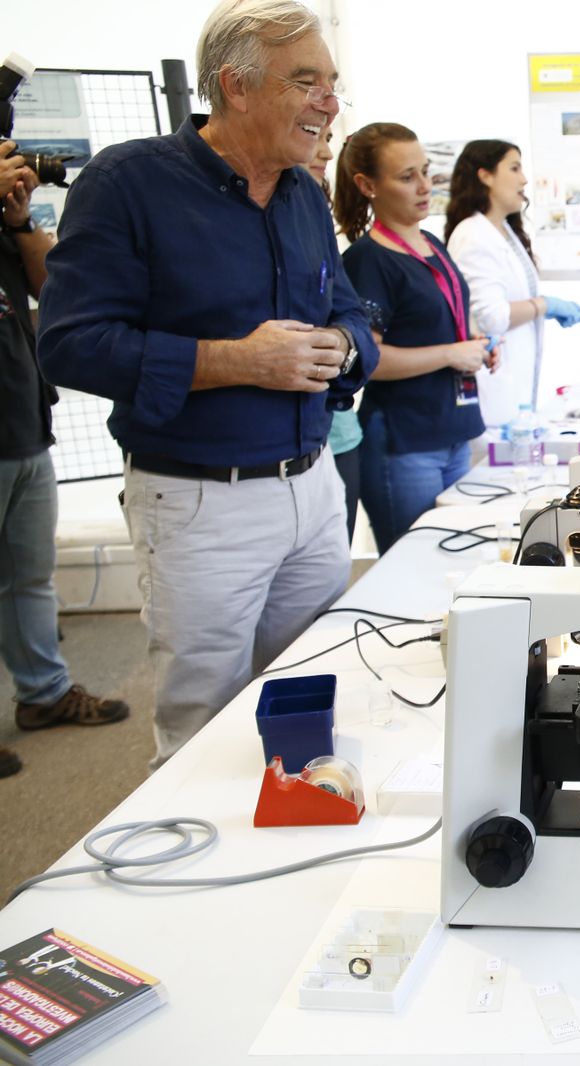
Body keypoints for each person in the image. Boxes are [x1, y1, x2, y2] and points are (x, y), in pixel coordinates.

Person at [37, 0, 375, 769]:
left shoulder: (302, 195)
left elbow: (352, 315)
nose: (330, 103)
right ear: (236, 86)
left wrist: (342, 344)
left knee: (313, 695)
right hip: (198, 503)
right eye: (307, 82)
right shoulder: (127, 184)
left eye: (333, 83)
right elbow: (69, 346)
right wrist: (235, 361)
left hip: (314, 488)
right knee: (204, 726)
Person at [0, 144, 130, 780]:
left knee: (30, 576)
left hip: (22, 424)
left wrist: (20, 221)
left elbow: (52, 291)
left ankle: (44, 693)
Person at [335, 123, 497, 553]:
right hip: (405, 443)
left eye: (425, 171)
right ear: (367, 185)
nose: (425, 186)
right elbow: (368, 359)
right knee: (416, 565)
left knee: (458, 563)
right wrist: (451, 353)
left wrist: (474, 343)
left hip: (453, 433)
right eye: (407, 177)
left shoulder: (430, 243)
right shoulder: (368, 261)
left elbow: (433, 322)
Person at [445, 139, 580, 430]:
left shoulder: (503, 230)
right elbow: (492, 317)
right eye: (514, 168)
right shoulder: (473, 235)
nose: (524, 179)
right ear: (485, 176)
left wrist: (542, 307)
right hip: (493, 393)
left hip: (516, 390)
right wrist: (544, 305)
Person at [303, 123, 363, 543]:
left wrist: (343, 341)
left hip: (338, 429)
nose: (326, 153)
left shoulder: (314, 220)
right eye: (316, 137)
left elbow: (350, 320)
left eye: (328, 139)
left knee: (332, 557)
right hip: (292, 436)